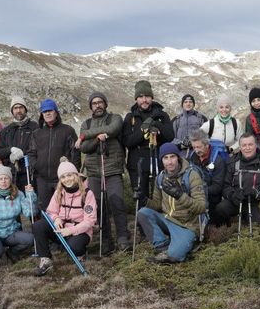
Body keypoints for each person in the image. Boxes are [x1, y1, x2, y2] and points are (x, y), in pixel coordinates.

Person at [137, 143, 207, 264]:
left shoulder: (191, 176)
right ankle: (162, 246)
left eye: (172, 157)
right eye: (166, 158)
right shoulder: (160, 177)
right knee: (143, 213)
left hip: (187, 225)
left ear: (178, 157)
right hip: (168, 219)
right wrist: (144, 200)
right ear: (162, 160)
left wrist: (180, 195)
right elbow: (158, 205)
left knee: (174, 256)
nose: (170, 162)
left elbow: (201, 207)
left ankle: (179, 247)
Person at [78, 92, 131, 253]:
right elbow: (84, 148)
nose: (98, 105)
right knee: (99, 207)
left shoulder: (115, 119)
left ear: (106, 104)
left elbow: (113, 129)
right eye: (94, 103)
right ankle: (105, 239)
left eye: (100, 102)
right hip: (94, 172)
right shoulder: (86, 123)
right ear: (91, 106)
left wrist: (85, 136)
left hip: (113, 170)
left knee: (117, 204)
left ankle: (123, 238)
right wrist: (97, 139)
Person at [31, 157, 97, 276]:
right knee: (38, 226)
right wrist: (56, 219)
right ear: (60, 180)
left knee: (74, 247)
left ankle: (80, 253)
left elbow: (90, 221)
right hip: (61, 229)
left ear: (76, 175)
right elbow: (51, 211)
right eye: (63, 177)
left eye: (70, 175)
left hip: (80, 231)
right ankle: (45, 259)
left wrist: (71, 230)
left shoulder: (87, 194)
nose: (67, 179)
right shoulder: (59, 192)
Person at [122, 80, 175, 208]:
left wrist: (157, 126)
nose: (144, 100)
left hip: (159, 160)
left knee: (162, 193)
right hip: (137, 162)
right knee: (141, 195)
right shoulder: (131, 117)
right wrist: (143, 131)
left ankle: (161, 224)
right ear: (136, 99)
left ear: (152, 97)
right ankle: (142, 226)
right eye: (140, 97)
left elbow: (170, 137)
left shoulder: (162, 115)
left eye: (147, 96)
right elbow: (127, 141)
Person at [214, 133, 260, 226]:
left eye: (250, 144)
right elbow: (225, 185)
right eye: (244, 145)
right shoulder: (232, 163)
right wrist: (232, 195)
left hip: (258, 202)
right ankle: (226, 232)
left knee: (257, 224)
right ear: (240, 147)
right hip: (237, 201)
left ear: (256, 145)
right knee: (220, 209)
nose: (247, 148)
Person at [28, 99, 80, 213]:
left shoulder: (68, 130)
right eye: (44, 111)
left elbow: (75, 153)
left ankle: (64, 231)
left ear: (56, 112)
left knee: (64, 209)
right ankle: (47, 231)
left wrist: (74, 173)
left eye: (50, 110)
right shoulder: (37, 133)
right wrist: (37, 165)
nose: (47, 113)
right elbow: (31, 152)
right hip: (42, 179)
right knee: (45, 210)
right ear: (42, 114)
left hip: (63, 179)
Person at [0, 96, 38, 189]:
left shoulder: (35, 128)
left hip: (30, 173)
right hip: (11, 175)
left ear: (25, 109)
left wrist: (23, 153)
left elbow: (40, 148)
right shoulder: (6, 131)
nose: (18, 110)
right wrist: (10, 150)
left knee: (30, 200)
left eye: (21, 107)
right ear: (12, 111)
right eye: (15, 108)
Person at [187, 129, 226, 211]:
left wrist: (199, 191)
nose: (196, 150)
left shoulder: (217, 160)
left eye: (199, 147)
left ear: (207, 145)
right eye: (194, 147)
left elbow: (217, 187)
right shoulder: (192, 157)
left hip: (211, 197)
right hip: (194, 194)